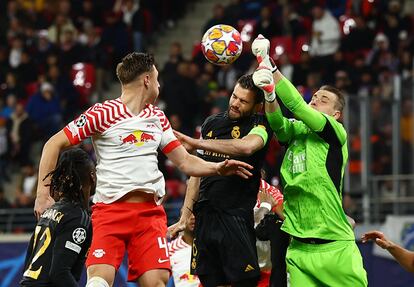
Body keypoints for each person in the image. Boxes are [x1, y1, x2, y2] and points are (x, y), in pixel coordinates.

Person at [33, 52, 253, 287]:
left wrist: (218, 168)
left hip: (149, 215)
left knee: (156, 283)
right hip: (109, 212)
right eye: (157, 78)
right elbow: (53, 144)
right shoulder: (102, 113)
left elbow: (185, 162)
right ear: (147, 79)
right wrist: (42, 195)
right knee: (97, 282)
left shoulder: (157, 117)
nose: (159, 85)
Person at [251, 34, 367, 286]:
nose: (314, 100)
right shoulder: (297, 130)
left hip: (335, 248)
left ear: (336, 115)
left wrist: (269, 65)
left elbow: (297, 106)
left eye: (323, 100)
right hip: (299, 250)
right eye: (314, 96)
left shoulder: (335, 133)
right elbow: (278, 124)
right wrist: (270, 95)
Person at [170, 74, 274, 286]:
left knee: (244, 282)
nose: (235, 103)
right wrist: (185, 215)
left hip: (235, 217)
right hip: (205, 220)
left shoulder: (261, 124)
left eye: (243, 101)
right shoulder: (212, 123)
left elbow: (246, 147)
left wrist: (196, 142)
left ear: (257, 106)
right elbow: (196, 174)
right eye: (234, 96)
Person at [21, 148, 96, 286]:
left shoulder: (49, 212)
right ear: (92, 176)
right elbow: (59, 273)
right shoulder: (78, 217)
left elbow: (28, 260)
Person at [168, 213, 201, 287]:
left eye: (196, 212)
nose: (193, 217)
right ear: (181, 218)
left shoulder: (213, 247)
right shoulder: (169, 250)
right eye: (189, 213)